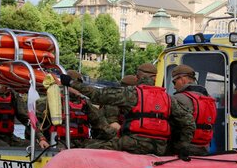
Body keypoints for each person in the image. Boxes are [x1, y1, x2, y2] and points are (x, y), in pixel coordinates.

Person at [60, 63, 195, 156]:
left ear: (138, 77)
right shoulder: (168, 98)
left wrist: (71, 83)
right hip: (160, 147)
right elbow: (189, 122)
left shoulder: (132, 93)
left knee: (88, 148)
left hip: (133, 144)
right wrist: (182, 147)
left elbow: (98, 95)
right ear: (155, 78)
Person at [36, 70, 115, 148]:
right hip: (58, 142)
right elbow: (35, 122)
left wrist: (116, 137)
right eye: (76, 84)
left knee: (107, 145)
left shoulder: (85, 103)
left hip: (81, 142)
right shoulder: (53, 100)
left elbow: (100, 122)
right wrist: (41, 139)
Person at [171, 64, 217, 156]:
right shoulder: (209, 99)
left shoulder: (177, 98)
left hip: (184, 149)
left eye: (174, 82)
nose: (174, 87)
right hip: (204, 147)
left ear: (183, 80)